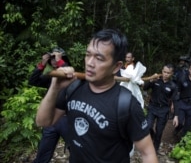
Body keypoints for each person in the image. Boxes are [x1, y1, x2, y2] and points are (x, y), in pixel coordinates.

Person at [35, 29, 158, 163]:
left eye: (99, 58)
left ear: (116, 67)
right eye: (88, 55)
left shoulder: (126, 104)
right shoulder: (73, 88)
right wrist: (55, 87)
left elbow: (147, 153)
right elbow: (43, 122)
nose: (90, 63)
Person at [28, 47, 70, 163]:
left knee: (77, 149)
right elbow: (33, 81)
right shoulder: (51, 76)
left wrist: (59, 60)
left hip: (67, 119)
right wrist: (42, 64)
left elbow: (68, 73)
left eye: (56, 58)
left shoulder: (71, 73)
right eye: (52, 59)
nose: (54, 60)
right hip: (51, 119)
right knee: (43, 152)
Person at [143, 64, 179, 155]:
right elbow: (145, 88)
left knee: (159, 131)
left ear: (171, 74)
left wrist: (176, 115)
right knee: (147, 127)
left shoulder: (173, 86)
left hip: (163, 110)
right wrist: (150, 80)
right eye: (164, 72)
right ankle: (149, 140)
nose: (166, 74)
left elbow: (175, 100)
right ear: (162, 71)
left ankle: (155, 149)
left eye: (168, 73)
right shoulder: (156, 80)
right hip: (152, 107)